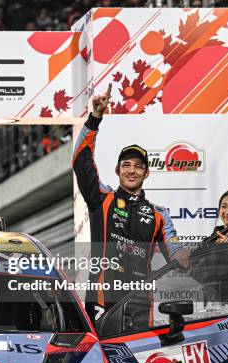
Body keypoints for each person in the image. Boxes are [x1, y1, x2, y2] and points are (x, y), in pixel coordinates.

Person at [72, 83, 189, 324]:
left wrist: (181, 255)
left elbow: (175, 251)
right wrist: (95, 119)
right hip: (103, 300)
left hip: (140, 304)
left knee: (139, 360)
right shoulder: (102, 199)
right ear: (117, 171)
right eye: (126, 165)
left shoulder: (159, 214)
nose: (132, 171)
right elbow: (80, 162)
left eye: (138, 166)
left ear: (146, 174)